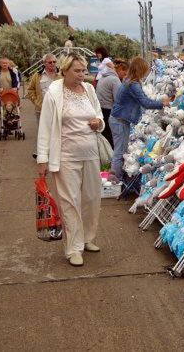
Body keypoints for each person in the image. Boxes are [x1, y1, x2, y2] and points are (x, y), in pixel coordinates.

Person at [37, 52, 104, 267]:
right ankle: (74, 248)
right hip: (66, 156)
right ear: (64, 71)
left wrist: (98, 122)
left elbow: (99, 114)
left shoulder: (89, 89)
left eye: (84, 70)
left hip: (91, 153)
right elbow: (45, 127)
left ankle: (87, 238)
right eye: (77, 71)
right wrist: (42, 159)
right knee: (70, 202)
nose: (82, 74)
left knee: (92, 198)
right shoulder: (54, 93)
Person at [109, 57, 169, 180]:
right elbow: (145, 102)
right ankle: (115, 180)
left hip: (120, 119)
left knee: (121, 150)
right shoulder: (133, 84)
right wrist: (161, 103)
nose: (146, 73)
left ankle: (117, 178)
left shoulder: (129, 81)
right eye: (145, 71)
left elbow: (143, 99)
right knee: (119, 152)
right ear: (140, 70)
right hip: (120, 121)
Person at [95, 58, 123, 147]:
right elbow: (119, 100)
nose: (125, 76)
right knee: (111, 141)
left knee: (105, 139)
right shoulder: (114, 79)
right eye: (125, 73)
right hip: (109, 112)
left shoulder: (103, 77)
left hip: (101, 111)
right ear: (120, 70)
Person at [26, 53, 61, 122]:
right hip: (41, 110)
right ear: (44, 63)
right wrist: (36, 102)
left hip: (58, 110)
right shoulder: (37, 75)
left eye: (54, 62)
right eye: (50, 62)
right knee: (42, 129)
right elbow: (30, 89)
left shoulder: (62, 75)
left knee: (57, 129)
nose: (53, 64)